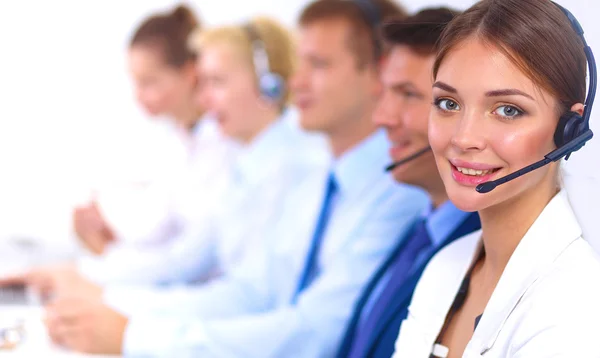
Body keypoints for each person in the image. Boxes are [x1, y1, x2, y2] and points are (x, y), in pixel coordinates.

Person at [41, 0, 429, 356]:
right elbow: (253, 291)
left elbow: (315, 333)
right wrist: (115, 309)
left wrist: (131, 330)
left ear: (378, 74)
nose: (296, 82)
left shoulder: (392, 189)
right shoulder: (322, 178)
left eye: (319, 64)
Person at [393, 1, 600, 357]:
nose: (462, 137)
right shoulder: (445, 265)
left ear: (569, 129)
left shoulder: (576, 304)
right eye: (448, 104)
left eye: (507, 110)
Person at [336, 8, 481, 358]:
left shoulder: (485, 252)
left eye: (408, 94)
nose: (381, 117)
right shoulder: (421, 230)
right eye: (385, 93)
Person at [73, 4, 229, 258]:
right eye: (136, 81)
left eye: (149, 82)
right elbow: (162, 235)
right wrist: (106, 238)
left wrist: (108, 256)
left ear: (189, 73)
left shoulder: (224, 143)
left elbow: (190, 259)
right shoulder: (178, 142)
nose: (138, 95)